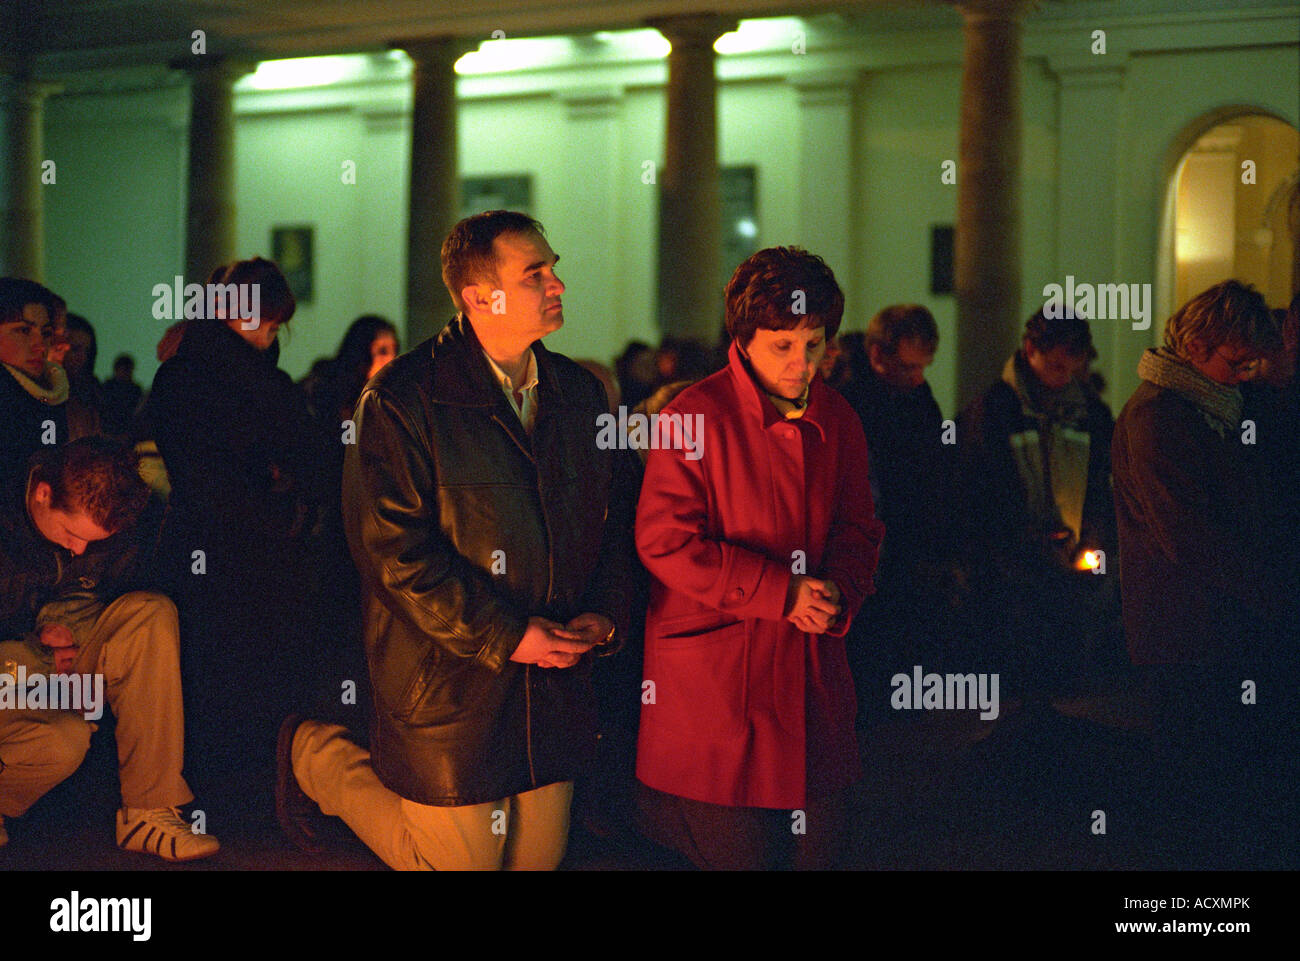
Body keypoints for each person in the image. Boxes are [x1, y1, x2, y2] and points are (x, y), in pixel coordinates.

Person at [279, 210, 631, 870]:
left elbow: (612, 522)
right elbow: (394, 553)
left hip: (552, 681)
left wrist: (604, 616)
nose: (557, 282)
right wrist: (507, 634)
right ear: (478, 296)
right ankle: (319, 756)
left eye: (553, 269)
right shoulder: (403, 397)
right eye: (536, 273)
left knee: (534, 862)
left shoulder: (579, 394)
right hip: (448, 682)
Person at [634, 246, 884, 870]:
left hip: (809, 670)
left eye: (816, 344)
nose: (802, 364)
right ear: (743, 339)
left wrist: (840, 593)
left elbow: (860, 526)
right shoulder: (694, 414)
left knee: (822, 851)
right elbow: (665, 540)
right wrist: (784, 594)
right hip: (720, 686)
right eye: (783, 346)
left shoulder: (840, 418)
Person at [148, 257, 338, 809]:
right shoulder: (187, 378)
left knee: (262, 676)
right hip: (216, 556)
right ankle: (217, 799)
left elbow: (310, 459)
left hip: (270, 556)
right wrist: (282, 503)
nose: (267, 334)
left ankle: (259, 792)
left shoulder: (267, 381)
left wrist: (291, 494)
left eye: (276, 325)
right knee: (213, 676)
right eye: (261, 320)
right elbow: (208, 478)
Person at [1112, 280, 1291, 865]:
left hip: (1213, 625)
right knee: (1193, 791)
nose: (1243, 375)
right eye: (1235, 361)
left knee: (1219, 782)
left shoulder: (1212, 406)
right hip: (1183, 631)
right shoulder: (1158, 415)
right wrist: (1273, 592)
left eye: (1250, 364)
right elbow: (1185, 533)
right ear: (1194, 343)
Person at [0, 437, 219, 860]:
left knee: (149, 614)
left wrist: (67, 623)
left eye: (92, 541)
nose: (79, 548)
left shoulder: (117, 523)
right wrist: (36, 637)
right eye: (69, 532)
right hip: (13, 662)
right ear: (43, 494)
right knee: (61, 742)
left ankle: (148, 811)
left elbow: (105, 590)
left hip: (65, 649)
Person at [957, 304, 1119, 694]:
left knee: (1062, 670)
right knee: (1017, 668)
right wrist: (1021, 537)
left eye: (1073, 369)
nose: (1064, 379)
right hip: (1010, 565)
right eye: (1056, 367)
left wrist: (1092, 539)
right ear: (1030, 349)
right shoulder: (994, 409)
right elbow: (978, 488)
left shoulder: (1089, 413)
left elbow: (1099, 483)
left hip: (1070, 562)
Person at [838, 304, 957, 723]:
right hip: (867, 547)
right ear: (876, 356)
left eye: (924, 367)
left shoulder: (918, 399)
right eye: (908, 367)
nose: (918, 377)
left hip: (909, 546)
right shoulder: (850, 403)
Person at [100, 353, 143, 440]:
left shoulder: (135, 390)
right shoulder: (108, 388)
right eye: (125, 370)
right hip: (113, 433)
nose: (127, 373)